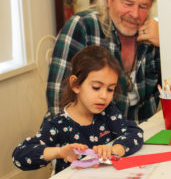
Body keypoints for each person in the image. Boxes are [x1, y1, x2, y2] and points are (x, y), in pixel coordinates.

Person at [12, 46, 144, 174]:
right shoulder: (59, 125)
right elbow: (20, 155)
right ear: (75, 85)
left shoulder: (108, 112)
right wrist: (58, 152)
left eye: (110, 89)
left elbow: (135, 132)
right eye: (96, 87)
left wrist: (114, 149)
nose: (104, 96)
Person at [46, 0, 161, 124]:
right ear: (109, 0)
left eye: (143, 6)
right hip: (80, 136)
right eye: (128, 4)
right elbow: (58, 99)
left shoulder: (152, 36)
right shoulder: (82, 26)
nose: (135, 14)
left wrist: (166, 44)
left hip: (136, 137)